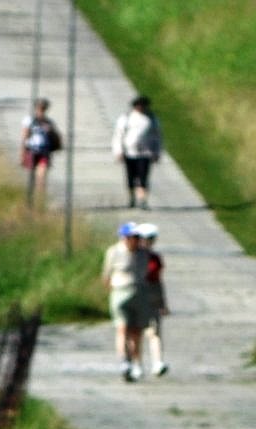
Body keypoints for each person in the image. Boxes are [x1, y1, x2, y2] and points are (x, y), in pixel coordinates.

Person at [102, 221, 150, 382]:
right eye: (132, 237)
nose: (135, 240)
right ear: (124, 237)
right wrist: (111, 291)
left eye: (137, 237)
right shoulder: (114, 252)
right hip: (120, 292)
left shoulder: (144, 253)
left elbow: (146, 275)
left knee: (136, 332)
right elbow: (106, 275)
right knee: (122, 329)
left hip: (139, 293)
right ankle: (124, 361)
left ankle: (137, 363)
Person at [112, 95, 163, 210]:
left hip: (145, 153)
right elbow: (118, 135)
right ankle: (131, 198)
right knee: (131, 178)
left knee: (143, 177)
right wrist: (118, 151)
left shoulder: (152, 119)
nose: (141, 108)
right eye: (139, 105)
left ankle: (142, 200)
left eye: (143, 106)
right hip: (129, 152)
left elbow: (158, 137)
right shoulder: (126, 118)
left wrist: (157, 152)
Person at [135, 222, 170, 376]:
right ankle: (137, 365)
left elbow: (158, 281)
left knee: (154, 331)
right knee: (137, 332)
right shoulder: (133, 257)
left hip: (152, 297)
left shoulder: (155, 258)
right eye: (144, 239)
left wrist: (163, 302)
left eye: (151, 239)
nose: (147, 242)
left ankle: (157, 362)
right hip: (136, 296)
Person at [19, 98, 62, 208]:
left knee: (41, 178)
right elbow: (24, 137)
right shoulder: (29, 121)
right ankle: (31, 202)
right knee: (32, 179)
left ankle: (40, 204)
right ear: (36, 108)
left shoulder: (49, 123)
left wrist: (50, 131)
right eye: (39, 109)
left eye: (43, 109)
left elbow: (56, 138)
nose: (41, 111)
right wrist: (22, 154)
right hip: (32, 151)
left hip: (44, 153)